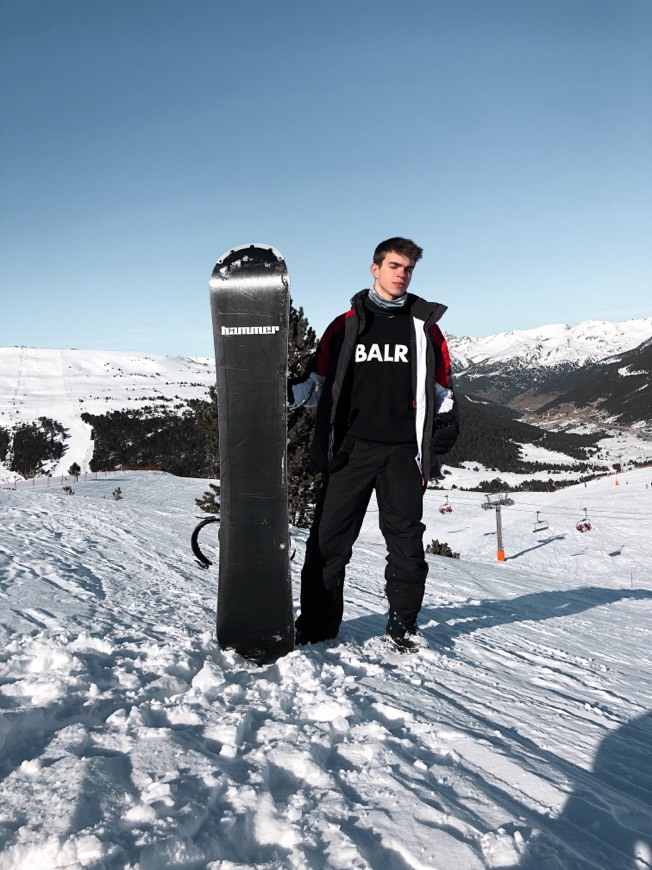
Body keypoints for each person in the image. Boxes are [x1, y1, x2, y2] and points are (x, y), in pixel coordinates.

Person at [290, 237, 459, 651]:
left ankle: (403, 622)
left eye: (408, 269)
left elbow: (442, 390)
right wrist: (278, 392)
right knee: (328, 541)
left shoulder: (425, 329)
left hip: (404, 453)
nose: (402, 274)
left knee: (406, 543)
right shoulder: (346, 325)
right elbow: (316, 385)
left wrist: (448, 422)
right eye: (394, 266)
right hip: (351, 450)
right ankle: (317, 624)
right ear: (375, 269)